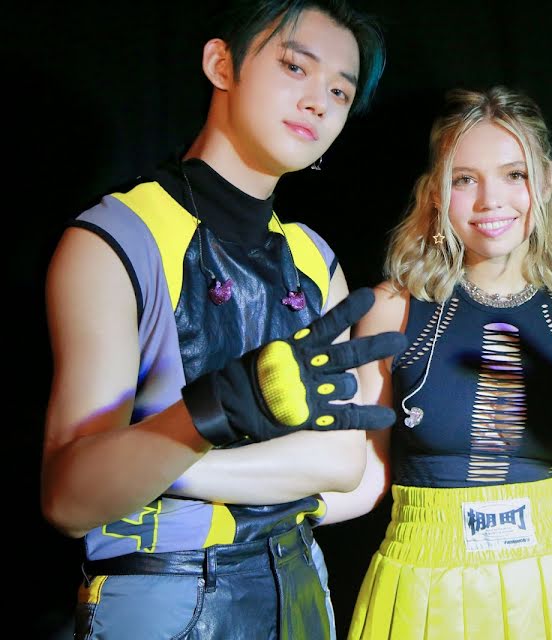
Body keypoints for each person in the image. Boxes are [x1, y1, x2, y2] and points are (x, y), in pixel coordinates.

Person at [40, 1, 406, 638]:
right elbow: (70, 499)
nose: (318, 102)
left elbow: (343, 463)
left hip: (302, 589)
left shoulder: (314, 260)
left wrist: (166, 469)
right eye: (295, 67)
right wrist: (211, 412)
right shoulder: (117, 240)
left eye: (340, 92)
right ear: (221, 64)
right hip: (165, 595)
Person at [318, 86, 552, 639]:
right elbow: (364, 479)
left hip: (551, 592)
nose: (490, 201)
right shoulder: (391, 309)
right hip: (421, 589)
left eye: (514, 175)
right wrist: (256, 511)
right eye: (464, 179)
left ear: (546, 184)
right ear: (436, 195)